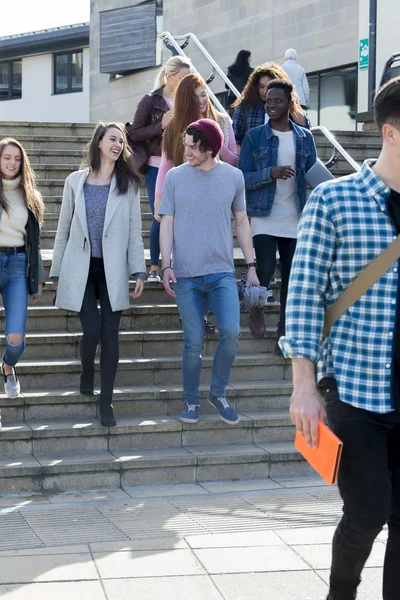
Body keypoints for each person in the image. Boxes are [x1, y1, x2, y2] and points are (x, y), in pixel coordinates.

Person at [279, 77, 400, 600]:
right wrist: (303, 386)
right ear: (391, 131)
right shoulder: (334, 200)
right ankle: (341, 593)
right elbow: (304, 296)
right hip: (357, 388)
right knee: (369, 511)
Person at [159, 119, 259, 425]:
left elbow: (241, 221)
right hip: (186, 274)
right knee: (194, 340)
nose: (186, 150)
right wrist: (165, 265)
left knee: (231, 332)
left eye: (193, 146)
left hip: (221, 272)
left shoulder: (234, 176)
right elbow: (167, 222)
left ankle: (217, 393)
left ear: (211, 148)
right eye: (185, 144)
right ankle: (190, 401)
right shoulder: (175, 177)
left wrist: (252, 266)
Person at [50, 122, 145, 427]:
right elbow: (63, 228)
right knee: (91, 330)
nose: (118, 145)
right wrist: (56, 270)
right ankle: (87, 370)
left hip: (112, 270)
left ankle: (107, 401)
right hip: (80, 268)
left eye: (122, 142)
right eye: (113, 139)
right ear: (99, 142)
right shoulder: (75, 182)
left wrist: (139, 270)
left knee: (111, 336)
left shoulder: (128, 184)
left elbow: (134, 232)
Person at [238, 79, 316, 346]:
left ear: (289, 103)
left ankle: (284, 327)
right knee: (267, 267)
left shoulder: (305, 137)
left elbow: (314, 174)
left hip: (295, 215)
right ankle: (257, 307)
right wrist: (269, 173)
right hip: (263, 213)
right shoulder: (254, 137)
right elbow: (242, 178)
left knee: (292, 274)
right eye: (268, 101)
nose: (271, 105)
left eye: (277, 101)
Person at [129, 56, 192, 282]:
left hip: (185, 164)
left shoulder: (189, 100)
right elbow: (134, 133)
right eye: (183, 77)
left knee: (181, 216)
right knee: (160, 214)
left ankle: (176, 263)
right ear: (170, 76)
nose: (187, 82)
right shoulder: (150, 100)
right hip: (156, 165)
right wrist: (161, 126)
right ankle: (155, 266)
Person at [0, 138, 45, 402]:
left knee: (16, 339)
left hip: (17, 266)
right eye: (7, 157)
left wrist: (36, 278)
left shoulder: (31, 197)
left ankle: (7, 365)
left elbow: (35, 244)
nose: (11, 163)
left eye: (17, 158)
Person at [232, 63, 310, 153]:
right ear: (255, 86)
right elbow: (235, 141)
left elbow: (305, 130)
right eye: (261, 86)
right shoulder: (245, 106)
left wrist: (289, 102)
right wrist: (247, 162)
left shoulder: (285, 104)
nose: (265, 91)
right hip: (253, 162)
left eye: (269, 86)